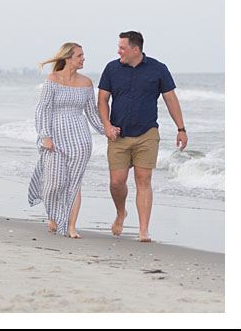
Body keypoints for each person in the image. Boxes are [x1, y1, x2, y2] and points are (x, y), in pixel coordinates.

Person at [98, 31, 188, 242]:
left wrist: (181, 129)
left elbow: (170, 99)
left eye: (122, 48)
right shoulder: (112, 68)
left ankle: (143, 230)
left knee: (143, 180)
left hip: (147, 133)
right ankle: (121, 213)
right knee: (116, 182)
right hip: (118, 135)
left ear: (135, 49)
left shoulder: (158, 69)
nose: (118, 51)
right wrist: (107, 125)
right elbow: (102, 99)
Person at [28, 42, 120, 238]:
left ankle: (70, 227)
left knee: (74, 182)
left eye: (83, 55)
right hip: (54, 136)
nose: (83, 59)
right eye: (79, 56)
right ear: (68, 58)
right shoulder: (53, 79)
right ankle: (54, 214)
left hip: (79, 137)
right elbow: (42, 109)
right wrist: (45, 136)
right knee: (54, 183)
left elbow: (92, 113)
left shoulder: (86, 83)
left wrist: (107, 129)